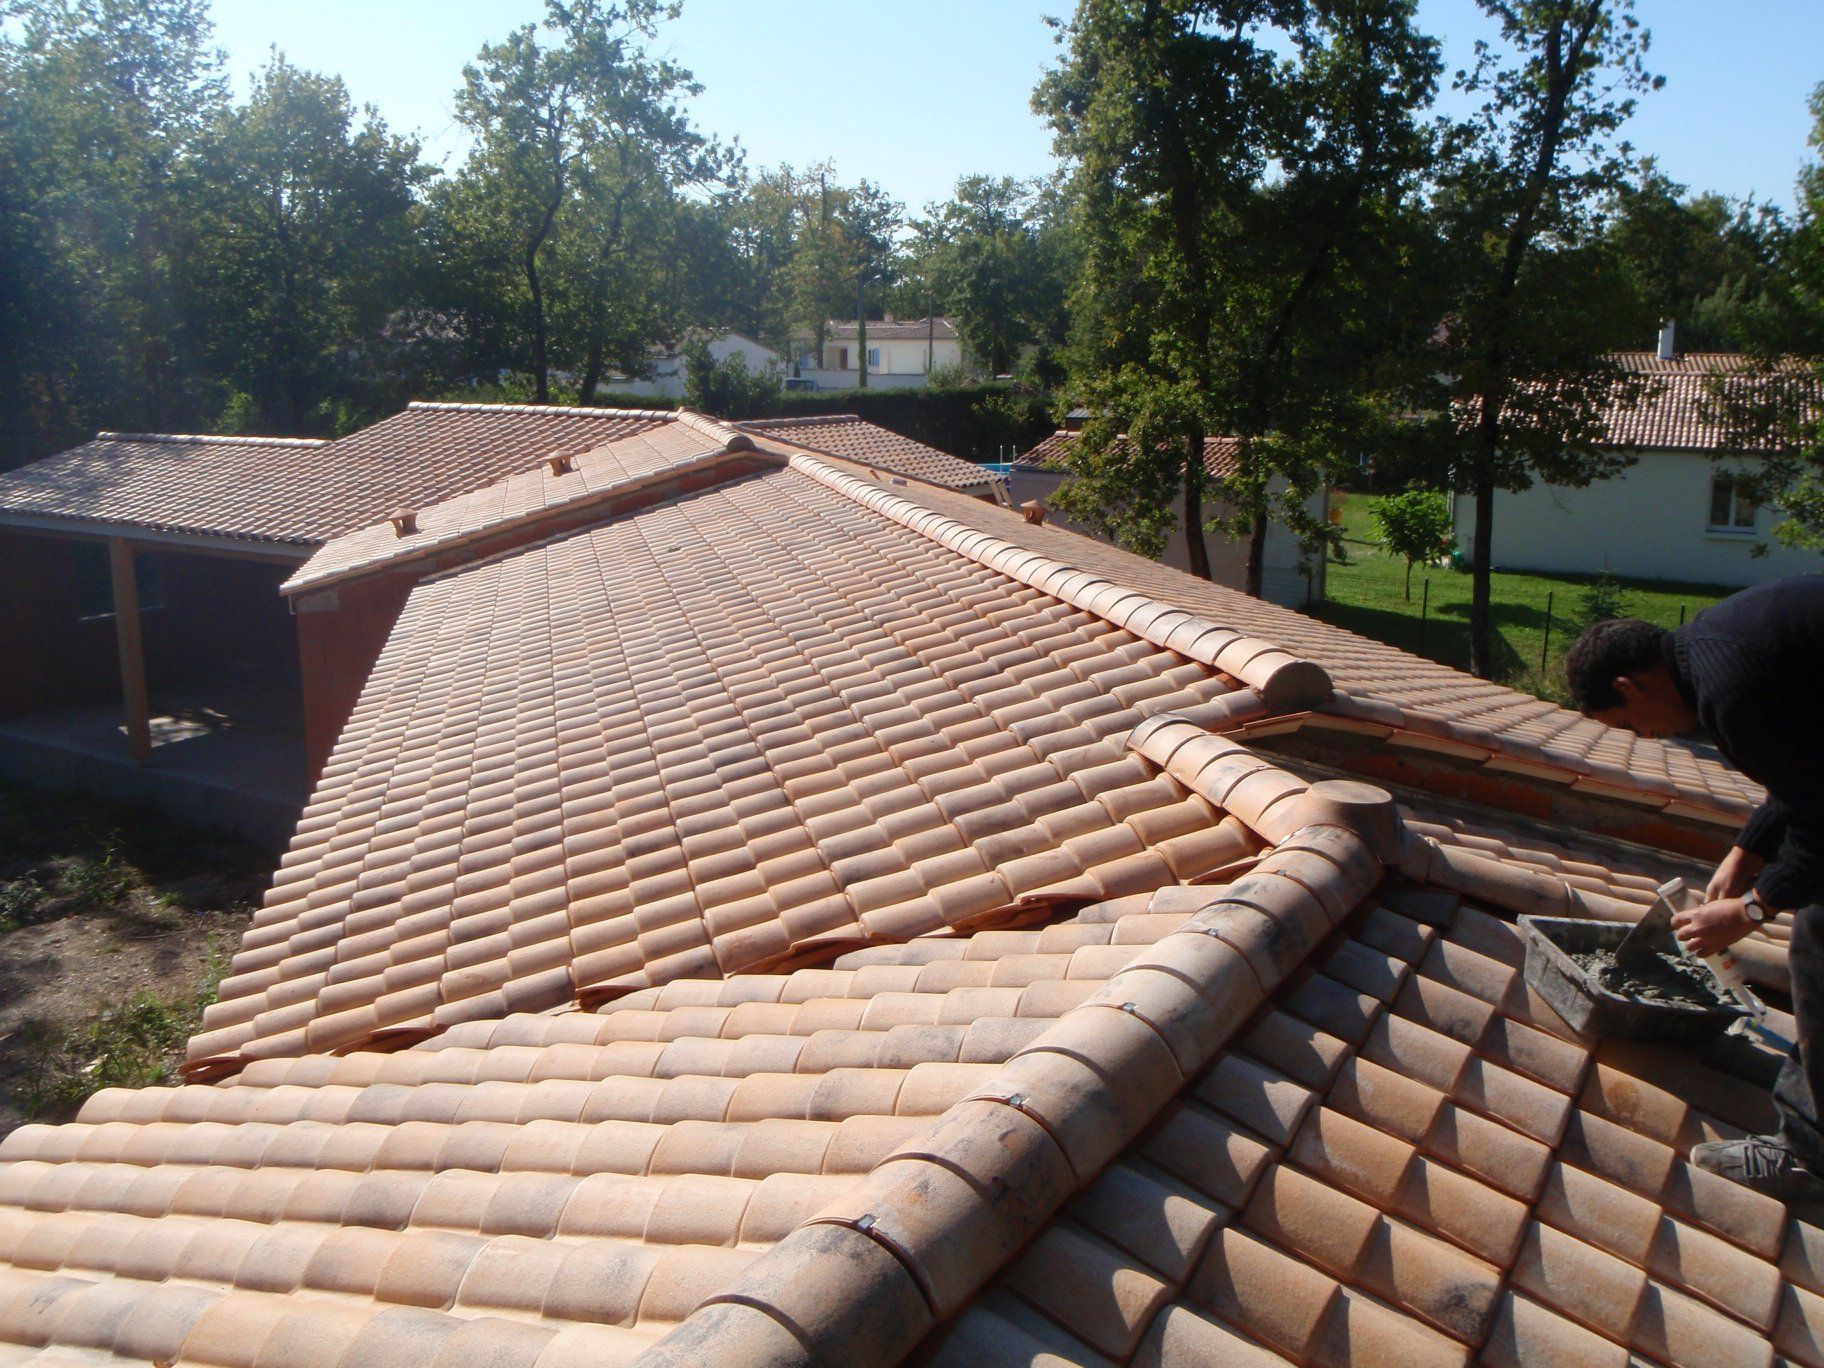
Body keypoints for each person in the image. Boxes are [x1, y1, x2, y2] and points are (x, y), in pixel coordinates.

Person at [1566, 575, 1824, 1201]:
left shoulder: (1730, 694)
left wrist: (1753, 909)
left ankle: (1808, 1158)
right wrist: (1747, 851)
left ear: (1630, 685)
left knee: (1817, 950)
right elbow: (1802, 773)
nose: (1646, 739)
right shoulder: (1715, 643)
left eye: (1629, 723)